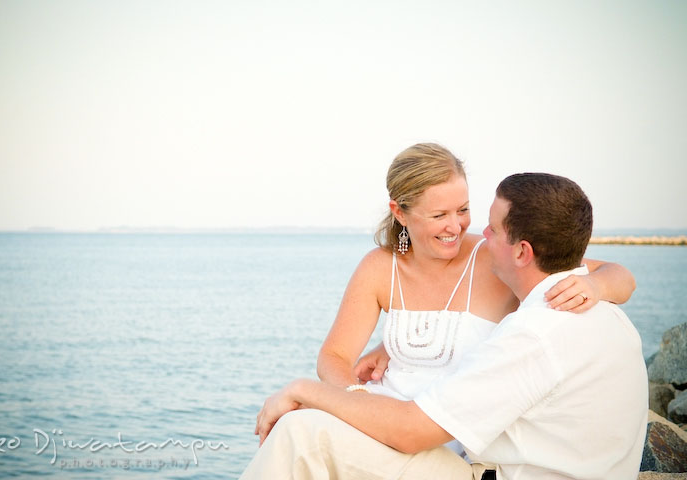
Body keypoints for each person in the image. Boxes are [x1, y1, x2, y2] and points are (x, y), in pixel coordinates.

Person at [241, 172, 647, 480]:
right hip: (470, 439)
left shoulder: (535, 332)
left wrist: (301, 390)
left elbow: (411, 431)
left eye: (489, 226)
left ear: (522, 251)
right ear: (400, 213)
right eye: (440, 214)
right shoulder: (603, 315)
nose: (474, 233)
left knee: (301, 434)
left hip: (474, 461)